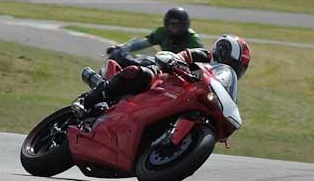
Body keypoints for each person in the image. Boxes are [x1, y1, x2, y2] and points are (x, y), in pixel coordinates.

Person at [72, 11, 250, 115]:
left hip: (183, 94)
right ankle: (87, 100)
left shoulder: (223, 80)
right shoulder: (202, 54)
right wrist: (176, 63)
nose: (233, 69)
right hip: (166, 73)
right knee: (137, 72)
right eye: (233, 63)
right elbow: (182, 56)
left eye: (238, 67)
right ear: (221, 52)